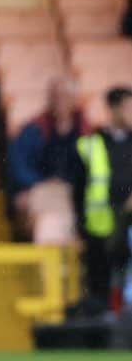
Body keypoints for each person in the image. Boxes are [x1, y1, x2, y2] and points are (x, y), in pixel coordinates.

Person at [71, 86, 132, 310]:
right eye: (128, 107)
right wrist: (80, 223)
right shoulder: (92, 143)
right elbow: (79, 187)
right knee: (100, 284)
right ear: (113, 109)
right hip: (100, 225)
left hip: (128, 225)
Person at [7, 78, 85, 215]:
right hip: (42, 187)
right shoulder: (34, 129)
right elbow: (18, 165)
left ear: (74, 100)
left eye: (65, 96)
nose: (60, 101)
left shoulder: (87, 130)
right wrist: (41, 182)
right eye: (55, 96)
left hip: (77, 189)